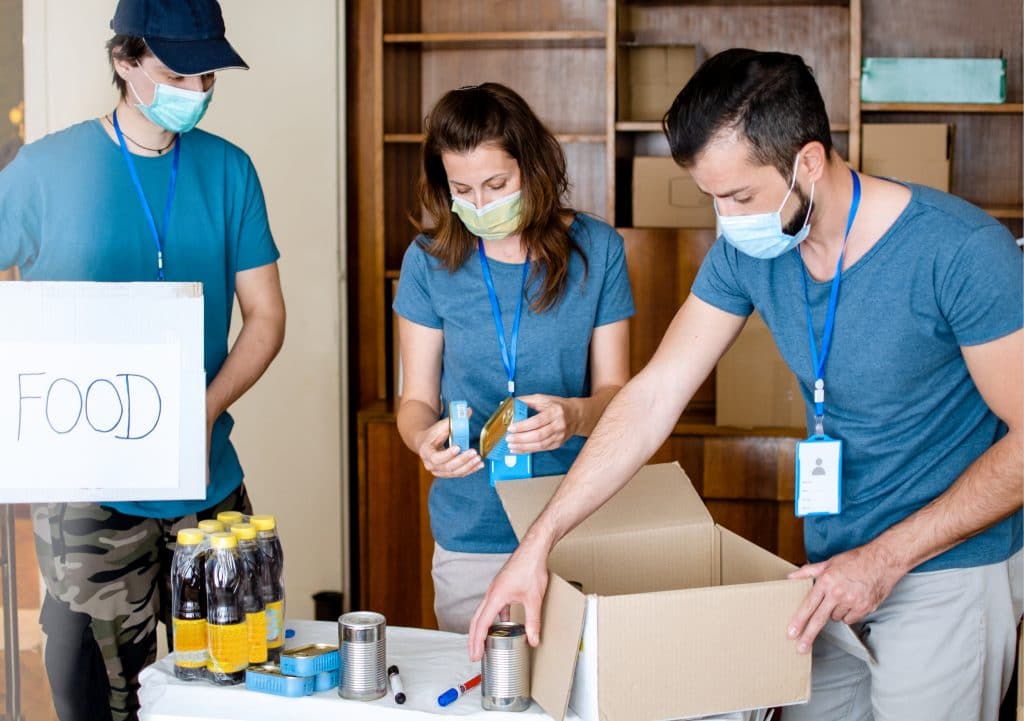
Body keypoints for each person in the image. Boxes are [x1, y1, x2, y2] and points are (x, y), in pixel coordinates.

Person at [469, 49, 1022, 721]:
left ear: (808, 162)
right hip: (829, 573)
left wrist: (884, 558)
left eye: (739, 196)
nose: (725, 221)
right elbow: (650, 398)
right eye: (712, 198)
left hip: (944, 571)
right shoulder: (750, 251)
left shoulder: (960, 253)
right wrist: (538, 545)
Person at [0, 1, 286, 719]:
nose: (193, 89)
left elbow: (267, 316)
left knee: (237, 692)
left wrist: (202, 409)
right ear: (125, 62)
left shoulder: (229, 172)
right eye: (175, 73)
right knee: (95, 697)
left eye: (207, 76)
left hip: (205, 488)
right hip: (86, 500)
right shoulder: (44, 171)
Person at [393, 83, 634, 633]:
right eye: (463, 189)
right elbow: (415, 402)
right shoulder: (428, 262)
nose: (481, 204)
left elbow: (618, 394)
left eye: (497, 184)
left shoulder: (598, 250)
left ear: (533, 166)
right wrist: (422, 442)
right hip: (471, 532)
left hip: (577, 521)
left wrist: (574, 416)